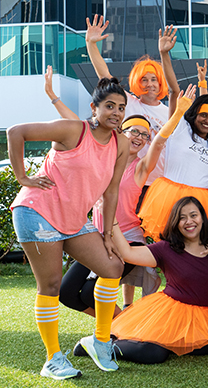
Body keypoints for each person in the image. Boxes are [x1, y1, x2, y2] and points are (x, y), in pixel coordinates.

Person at [8, 78, 130, 379]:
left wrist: (105, 234)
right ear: (94, 108)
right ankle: (53, 359)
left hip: (75, 220)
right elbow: (16, 132)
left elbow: (111, 191)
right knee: (50, 286)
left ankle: (100, 341)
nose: (116, 113)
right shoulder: (74, 130)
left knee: (112, 267)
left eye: (121, 108)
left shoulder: (121, 143)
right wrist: (22, 177)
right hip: (38, 212)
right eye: (110, 106)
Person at [44, 65, 161, 313]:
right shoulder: (103, 154)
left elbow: (159, 143)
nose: (139, 137)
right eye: (134, 131)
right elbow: (77, 125)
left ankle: (117, 331)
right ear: (121, 131)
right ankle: (120, 327)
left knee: (90, 292)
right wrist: (53, 97)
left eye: (144, 135)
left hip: (128, 239)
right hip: (95, 236)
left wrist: (177, 108)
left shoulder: (141, 168)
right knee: (66, 293)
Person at [105, 196, 208, 364]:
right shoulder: (166, 248)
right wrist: (112, 221)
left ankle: (116, 343)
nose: (189, 221)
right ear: (175, 222)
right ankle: (103, 345)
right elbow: (128, 253)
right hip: (170, 312)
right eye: (182, 218)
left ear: (202, 217)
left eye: (193, 215)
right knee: (154, 353)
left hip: (206, 314)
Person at [86, 15, 180, 203]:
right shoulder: (129, 102)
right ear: (137, 82)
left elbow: (174, 91)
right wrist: (91, 44)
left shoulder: (167, 111)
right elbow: (104, 75)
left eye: (154, 79)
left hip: (160, 182)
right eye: (144, 79)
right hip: (129, 178)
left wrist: (165, 54)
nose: (150, 84)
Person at [137, 85, 208, 241]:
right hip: (170, 198)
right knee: (170, 245)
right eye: (203, 115)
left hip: (202, 204)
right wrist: (179, 109)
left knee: (198, 247)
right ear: (195, 114)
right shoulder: (181, 127)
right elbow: (173, 94)